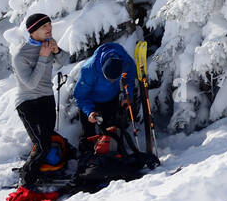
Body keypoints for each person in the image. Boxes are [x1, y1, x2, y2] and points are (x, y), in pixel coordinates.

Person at [12, 12, 65, 185]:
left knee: (46, 141)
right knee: (41, 144)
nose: (49, 29)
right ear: (33, 31)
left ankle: (40, 170)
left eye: (50, 25)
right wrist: (43, 57)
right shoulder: (21, 55)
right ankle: (27, 179)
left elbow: (65, 60)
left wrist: (57, 51)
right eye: (44, 26)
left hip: (47, 99)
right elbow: (31, 84)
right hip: (28, 103)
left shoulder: (48, 45)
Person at [73, 41, 140, 151]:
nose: (111, 81)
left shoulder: (125, 60)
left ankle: (113, 157)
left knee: (110, 132)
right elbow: (80, 95)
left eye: (115, 79)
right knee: (89, 135)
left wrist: (127, 95)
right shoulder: (90, 69)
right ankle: (87, 158)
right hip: (91, 101)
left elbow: (130, 75)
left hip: (111, 98)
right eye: (108, 79)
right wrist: (89, 112)